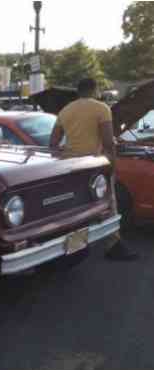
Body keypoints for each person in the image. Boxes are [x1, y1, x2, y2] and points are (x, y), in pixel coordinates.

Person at [49, 78, 138, 261]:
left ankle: (74, 247)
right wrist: (111, 165)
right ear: (94, 90)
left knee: (75, 208)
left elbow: (53, 142)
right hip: (92, 167)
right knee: (109, 205)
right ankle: (113, 246)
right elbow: (107, 141)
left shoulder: (66, 110)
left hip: (70, 166)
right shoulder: (101, 108)